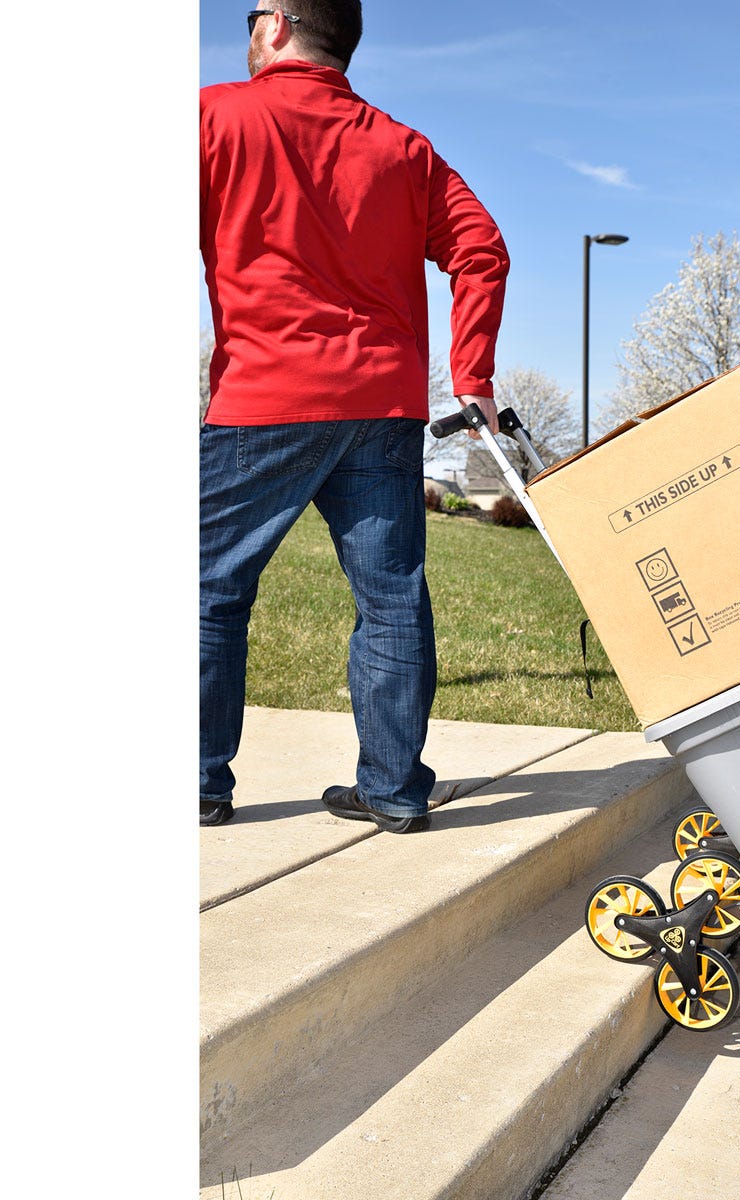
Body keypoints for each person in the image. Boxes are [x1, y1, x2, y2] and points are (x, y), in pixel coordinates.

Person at [199, 1, 509, 831]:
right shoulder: (405, 148)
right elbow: (483, 250)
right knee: (392, 599)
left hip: (263, 398)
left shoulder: (215, 115)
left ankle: (197, 782)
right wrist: (470, 370)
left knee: (209, 591)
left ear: (276, 25)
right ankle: (394, 789)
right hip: (381, 404)